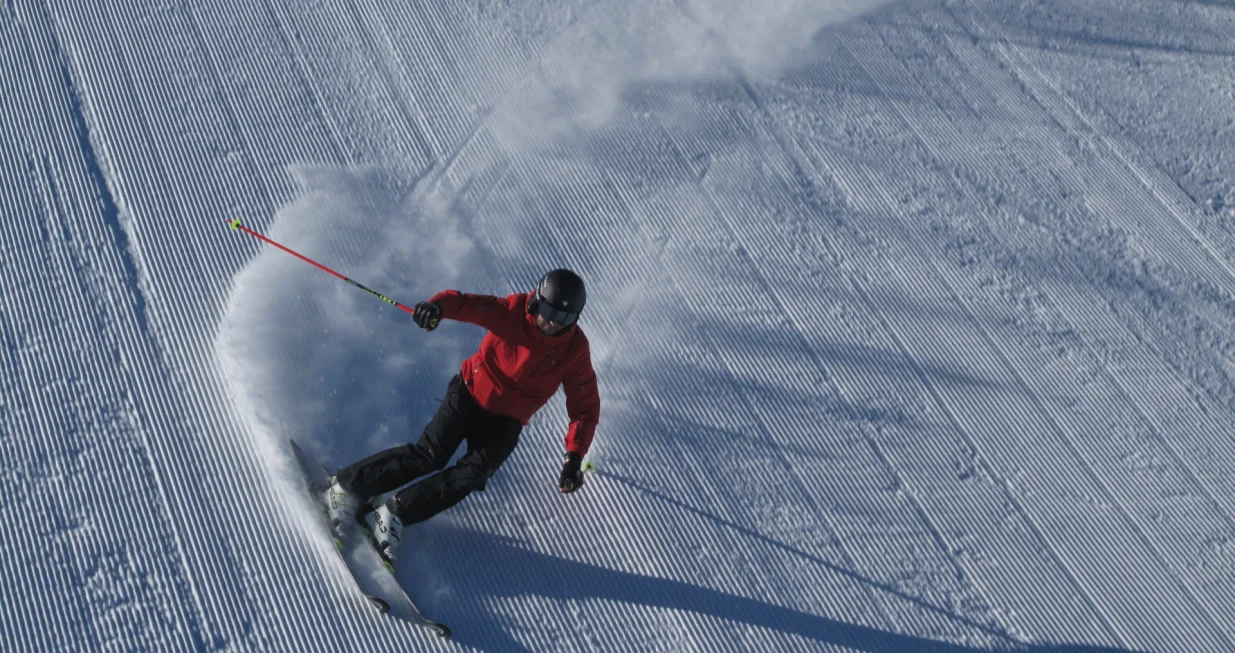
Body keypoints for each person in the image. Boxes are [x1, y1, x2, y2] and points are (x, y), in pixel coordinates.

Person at [323, 269, 600, 563]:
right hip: (470, 393)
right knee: (429, 455)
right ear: (537, 300)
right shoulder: (513, 311)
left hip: (507, 421)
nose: (553, 321)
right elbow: (467, 304)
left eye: (565, 318)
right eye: (548, 310)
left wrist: (574, 455)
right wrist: (436, 308)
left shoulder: (574, 350)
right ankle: (345, 488)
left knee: (473, 474)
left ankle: (392, 514)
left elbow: (585, 405)